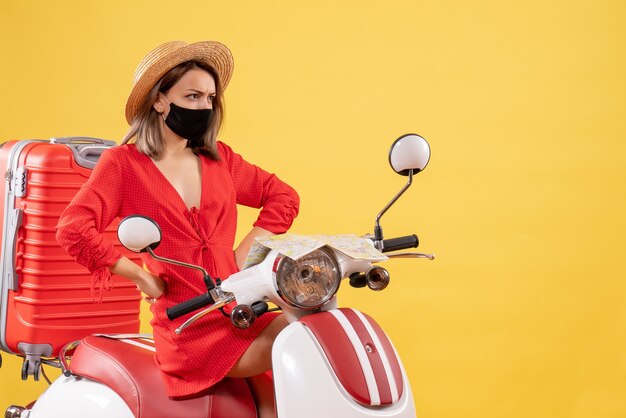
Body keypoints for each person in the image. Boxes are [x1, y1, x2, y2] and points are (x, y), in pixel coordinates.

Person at [56, 40, 299, 418]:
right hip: (188, 326)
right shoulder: (124, 165)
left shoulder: (220, 159)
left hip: (238, 310)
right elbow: (73, 227)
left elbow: (283, 196)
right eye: (193, 95)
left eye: (210, 98)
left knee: (314, 323)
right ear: (159, 100)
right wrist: (141, 277)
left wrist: (243, 257)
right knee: (297, 339)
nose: (204, 106)